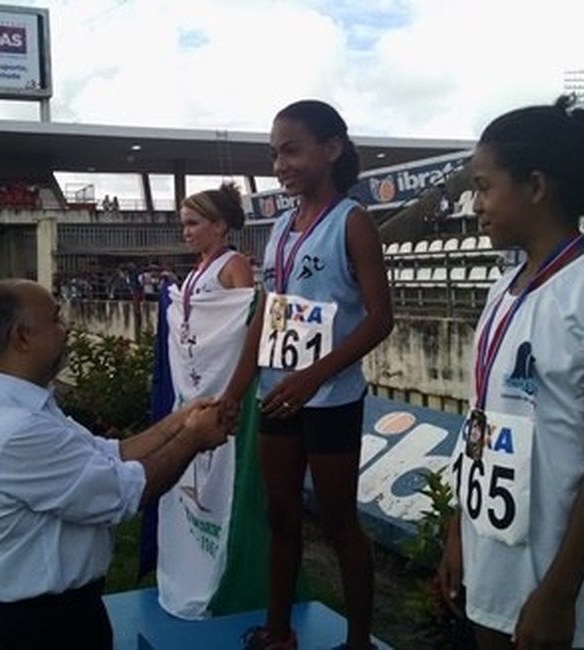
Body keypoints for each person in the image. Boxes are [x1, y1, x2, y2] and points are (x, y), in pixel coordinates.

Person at [437, 96, 584, 650]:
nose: (475, 204)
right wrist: (460, 528)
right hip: (497, 556)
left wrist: (559, 590)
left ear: (536, 186)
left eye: (485, 187)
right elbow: (483, 420)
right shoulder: (502, 292)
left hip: (566, 579)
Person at [0, 279, 231, 649]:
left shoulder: (21, 405)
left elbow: (109, 454)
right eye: (55, 320)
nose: (65, 329)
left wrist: (180, 420)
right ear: (21, 338)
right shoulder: (13, 429)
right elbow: (125, 492)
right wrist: (194, 437)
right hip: (35, 629)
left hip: (54, 615)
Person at [222, 99, 394, 650]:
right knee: (280, 515)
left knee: (340, 522)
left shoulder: (353, 222)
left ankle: (359, 641)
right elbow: (268, 315)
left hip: (330, 399)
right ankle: (278, 630)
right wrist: (235, 390)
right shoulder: (278, 228)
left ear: (332, 148)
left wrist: (313, 376)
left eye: (291, 150)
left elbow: (380, 318)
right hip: (279, 394)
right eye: (274, 154)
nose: (280, 164)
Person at [156, 183, 256, 619]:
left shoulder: (234, 265)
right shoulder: (199, 268)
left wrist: (231, 390)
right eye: (183, 224)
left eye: (194, 223)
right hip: (195, 392)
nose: (187, 232)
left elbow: (246, 324)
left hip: (225, 392)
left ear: (220, 225)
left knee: (224, 486)